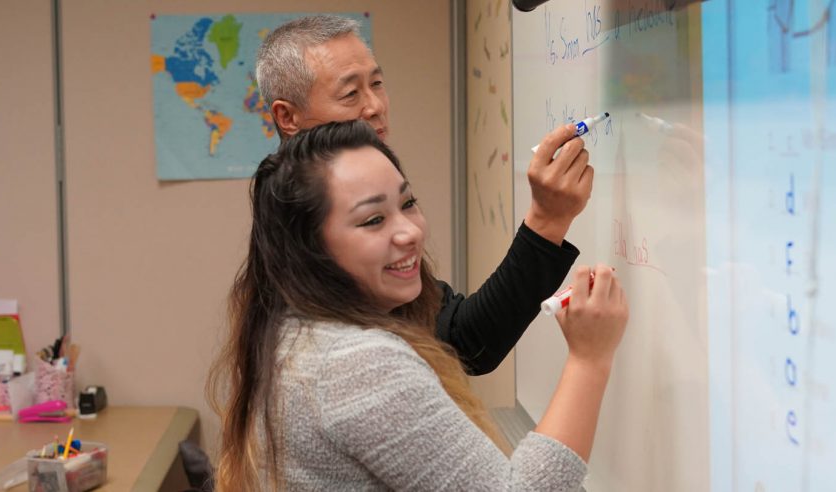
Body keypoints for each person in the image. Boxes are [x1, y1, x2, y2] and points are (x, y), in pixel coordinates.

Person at [209, 120, 628, 490]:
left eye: (407, 203)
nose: (409, 231)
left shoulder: (292, 327)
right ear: (310, 249)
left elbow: (465, 337)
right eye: (373, 220)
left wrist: (548, 222)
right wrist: (588, 360)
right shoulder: (355, 363)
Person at [254, 15, 593, 375]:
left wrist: (548, 220)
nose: (375, 106)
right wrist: (589, 361)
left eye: (378, 83)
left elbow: (457, 338)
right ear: (287, 116)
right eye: (351, 93)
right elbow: (463, 343)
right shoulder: (349, 359)